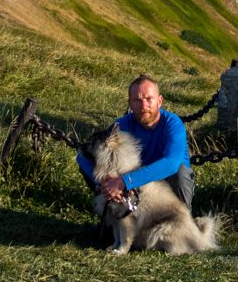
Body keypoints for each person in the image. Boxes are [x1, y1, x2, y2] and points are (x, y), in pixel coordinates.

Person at [78, 74, 195, 213]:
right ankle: (111, 214)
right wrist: (107, 183)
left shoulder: (172, 124)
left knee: (180, 173)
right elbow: (82, 158)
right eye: (137, 100)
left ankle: (183, 214)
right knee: (93, 165)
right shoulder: (121, 126)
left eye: (149, 99)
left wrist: (124, 182)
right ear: (130, 104)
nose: (144, 106)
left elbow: (171, 163)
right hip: (138, 182)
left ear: (160, 101)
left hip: (163, 179)